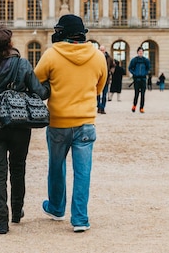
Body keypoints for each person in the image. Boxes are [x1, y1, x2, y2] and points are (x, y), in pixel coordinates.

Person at [0, 25, 49, 235]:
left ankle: (2, 222)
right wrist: (50, 83)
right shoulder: (22, 64)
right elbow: (40, 92)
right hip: (19, 123)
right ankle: (16, 212)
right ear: (10, 43)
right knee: (18, 169)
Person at [34, 14, 107, 233]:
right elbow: (99, 88)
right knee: (83, 172)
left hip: (58, 122)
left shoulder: (51, 55)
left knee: (57, 167)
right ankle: (80, 218)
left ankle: (56, 207)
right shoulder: (97, 56)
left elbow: (35, 82)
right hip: (85, 122)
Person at [128, 47, 150, 113]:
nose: (140, 53)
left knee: (143, 95)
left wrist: (145, 73)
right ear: (137, 52)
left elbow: (148, 68)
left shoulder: (146, 60)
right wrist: (135, 73)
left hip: (143, 79)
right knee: (136, 94)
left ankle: (141, 107)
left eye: (142, 51)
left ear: (143, 53)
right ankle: (134, 106)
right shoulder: (134, 60)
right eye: (139, 51)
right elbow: (130, 68)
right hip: (136, 79)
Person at [97, 45, 114, 114]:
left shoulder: (109, 58)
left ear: (105, 50)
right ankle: (99, 106)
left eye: (103, 50)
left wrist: (111, 72)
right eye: (100, 50)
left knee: (104, 95)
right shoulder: (96, 57)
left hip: (106, 79)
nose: (102, 51)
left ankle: (102, 108)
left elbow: (113, 66)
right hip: (97, 79)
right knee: (97, 95)